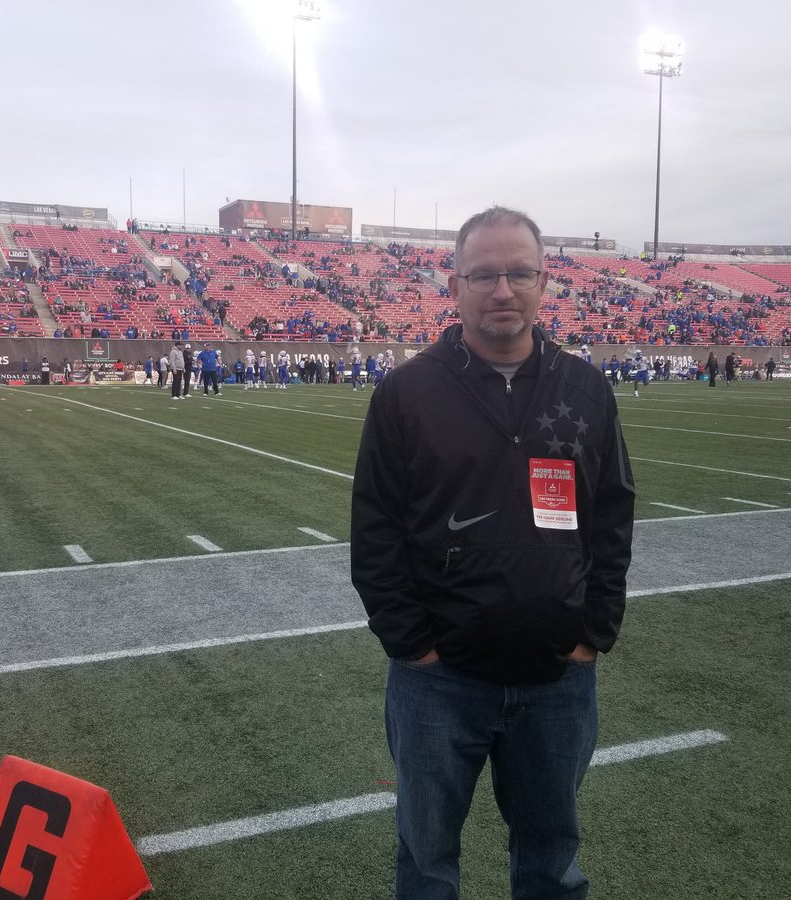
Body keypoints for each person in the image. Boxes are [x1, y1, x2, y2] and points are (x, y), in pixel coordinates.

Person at [351, 206, 635, 900]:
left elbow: (613, 515)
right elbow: (376, 531)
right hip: (438, 682)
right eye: (484, 274)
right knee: (426, 862)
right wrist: (412, 645)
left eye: (518, 273)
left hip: (558, 679)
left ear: (544, 283)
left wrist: (593, 633)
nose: (502, 289)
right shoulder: (407, 392)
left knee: (551, 861)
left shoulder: (585, 389)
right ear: (455, 286)